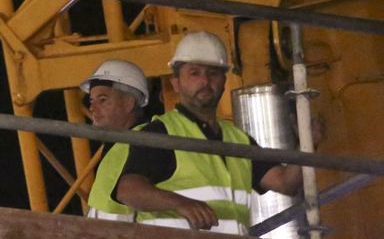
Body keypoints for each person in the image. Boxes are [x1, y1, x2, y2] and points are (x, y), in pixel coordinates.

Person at [113, 31, 305, 233]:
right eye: (194, 73)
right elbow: (128, 190)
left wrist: (306, 144)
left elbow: (285, 183)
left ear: (223, 81)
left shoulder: (237, 140)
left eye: (212, 73)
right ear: (175, 83)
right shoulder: (161, 133)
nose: (205, 81)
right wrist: (182, 204)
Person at [80, 58, 151, 222]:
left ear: (128, 103)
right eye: (91, 101)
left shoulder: (146, 144)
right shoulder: (117, 146)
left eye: (103, 100)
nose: (92, 108)